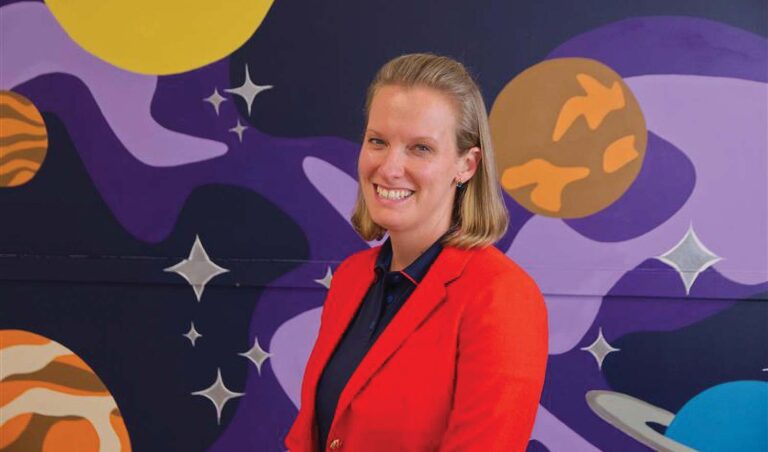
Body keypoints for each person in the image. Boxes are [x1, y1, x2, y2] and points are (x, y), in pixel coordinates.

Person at [285, 53, 548, 451]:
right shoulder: (352, 279)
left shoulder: (501, 297)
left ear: (467, 165)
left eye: (420, 148)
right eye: (377, 141)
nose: (390, 167)